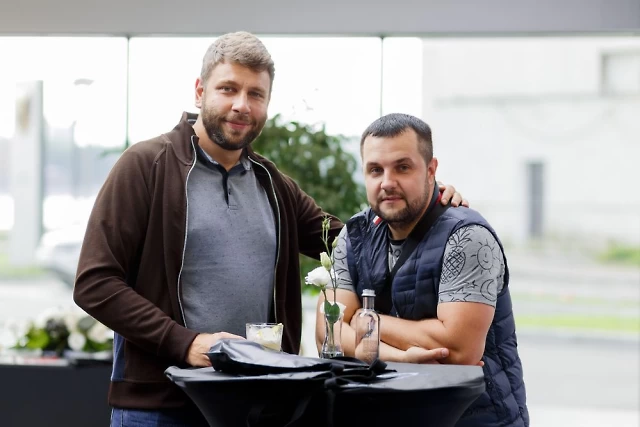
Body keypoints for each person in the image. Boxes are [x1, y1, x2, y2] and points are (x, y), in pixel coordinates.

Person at [73, 32, 464, 427]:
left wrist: (425, 204)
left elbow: (352, 242)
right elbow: (95, 283)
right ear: (200, 92)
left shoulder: (272, 183)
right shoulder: (146, 166)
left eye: (256, 94)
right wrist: (185, 343)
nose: (241, 105)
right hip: (160, 406)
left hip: (255, 405)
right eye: (228, 89)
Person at [316, 113, 528, 426]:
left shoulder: (467, 236)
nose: (387, 182)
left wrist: (365, 320)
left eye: (402, 167)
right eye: (375, 170)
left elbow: (457, 351)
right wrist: (397, 356)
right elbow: (328, 334)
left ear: (431, 170)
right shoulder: (355, 234)